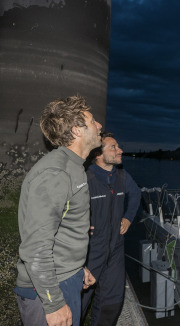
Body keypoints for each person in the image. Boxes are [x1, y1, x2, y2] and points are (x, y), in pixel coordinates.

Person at [15, 95, 101, 326]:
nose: (99, 126)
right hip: (48, 290)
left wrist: (77, 268)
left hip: (65, 278)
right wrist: (53, 304)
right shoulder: (56, 173)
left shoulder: (73, 168)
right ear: (77, 131)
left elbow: (61, 229)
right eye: (93, 122)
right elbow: (36, 247)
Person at [81, 132, 141, 325]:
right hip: (90, 252)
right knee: (78, 303)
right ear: (98, 154)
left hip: (115, 250)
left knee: (112, 302)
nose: (120, 150)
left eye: (118, 146)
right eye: (113, 147)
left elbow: (136, 194)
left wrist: (128, 217)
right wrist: (80, 225)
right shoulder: (86, 178)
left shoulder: (122, 177)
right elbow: (64, 207)